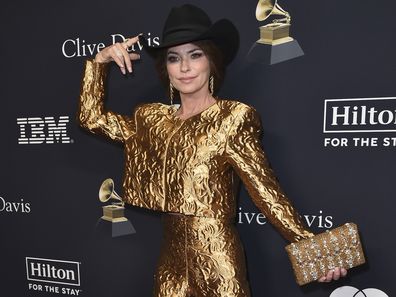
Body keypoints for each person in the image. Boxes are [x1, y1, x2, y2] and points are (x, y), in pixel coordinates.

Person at [78, 4, 347, 297]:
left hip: (218, 258)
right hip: (170, 262)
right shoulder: (153, 122)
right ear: (165, 68)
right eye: (174, 58)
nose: (184, 67)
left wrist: (315, 251)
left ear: (212, 61)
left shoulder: (232, 119)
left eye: (195, 55)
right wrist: (99, 62)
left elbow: (265, 190)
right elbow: (91, 118)